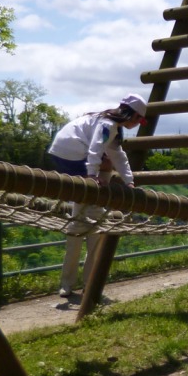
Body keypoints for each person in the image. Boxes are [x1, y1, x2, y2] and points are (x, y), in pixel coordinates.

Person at [46, 94, 147, 303]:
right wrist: (92, 176)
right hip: (71, 155)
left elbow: (118, 155)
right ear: (132, 114)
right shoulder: (107, 125)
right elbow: (95, 149)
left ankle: (79, 284)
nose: (138, 124)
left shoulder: (109, 126)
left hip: (63, 153)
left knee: (87, 226)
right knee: (87, 226)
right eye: (138, 119)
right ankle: (83, 284)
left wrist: (129, 181)